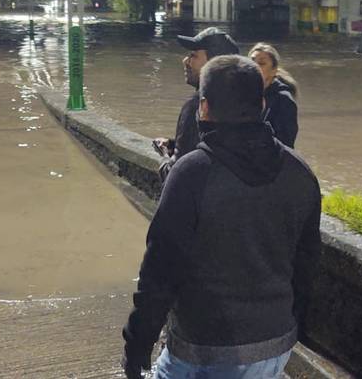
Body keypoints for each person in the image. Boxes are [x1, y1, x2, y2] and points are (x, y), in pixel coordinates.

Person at [124, 55, 322, 379]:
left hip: (204, 349)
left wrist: (136, 347)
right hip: (276, 344)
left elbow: (159, 271)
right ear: (261, 103)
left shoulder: (192, 173)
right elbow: (307, 266)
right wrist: (289, 327)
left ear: (204, 108)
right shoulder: (300, 174)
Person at [154, 27, 239, 181]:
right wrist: (176, 143)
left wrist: (165, 154)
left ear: (214, 64)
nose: (185, 61)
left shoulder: (196, 106)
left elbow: (176, 173)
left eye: (193, 55)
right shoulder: (245, 99)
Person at [249, 42, 299, 148]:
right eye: (252, 62)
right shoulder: (243, 95)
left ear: (273, 71)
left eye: (261, 63)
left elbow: (286, 144)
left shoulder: (284, 100)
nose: (254, 67)